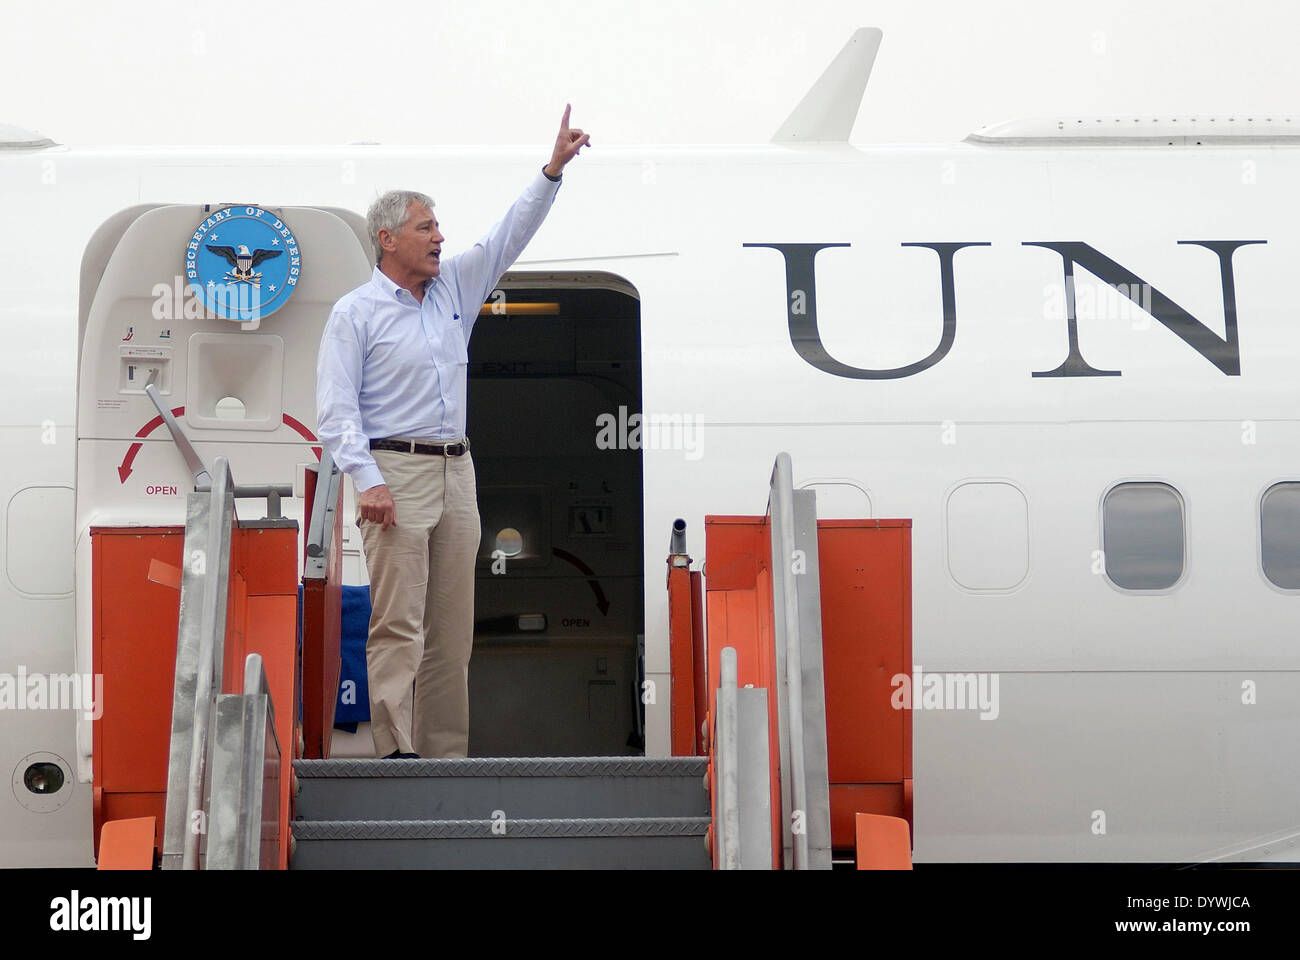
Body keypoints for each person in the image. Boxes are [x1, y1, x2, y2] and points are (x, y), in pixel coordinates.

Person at [316, 105, 590, 759]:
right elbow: (335, 410)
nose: (440, 237)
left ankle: (443, 754)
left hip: (455, 470)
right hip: (396, 470)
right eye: (426, 227)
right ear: (388, 239)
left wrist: (551, 170)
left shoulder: (456, 289)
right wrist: (367, 478)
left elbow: (506, 237)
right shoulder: (355, 315)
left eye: (439, 226)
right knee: (398, 620)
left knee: (450, 629)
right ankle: (395, 749)